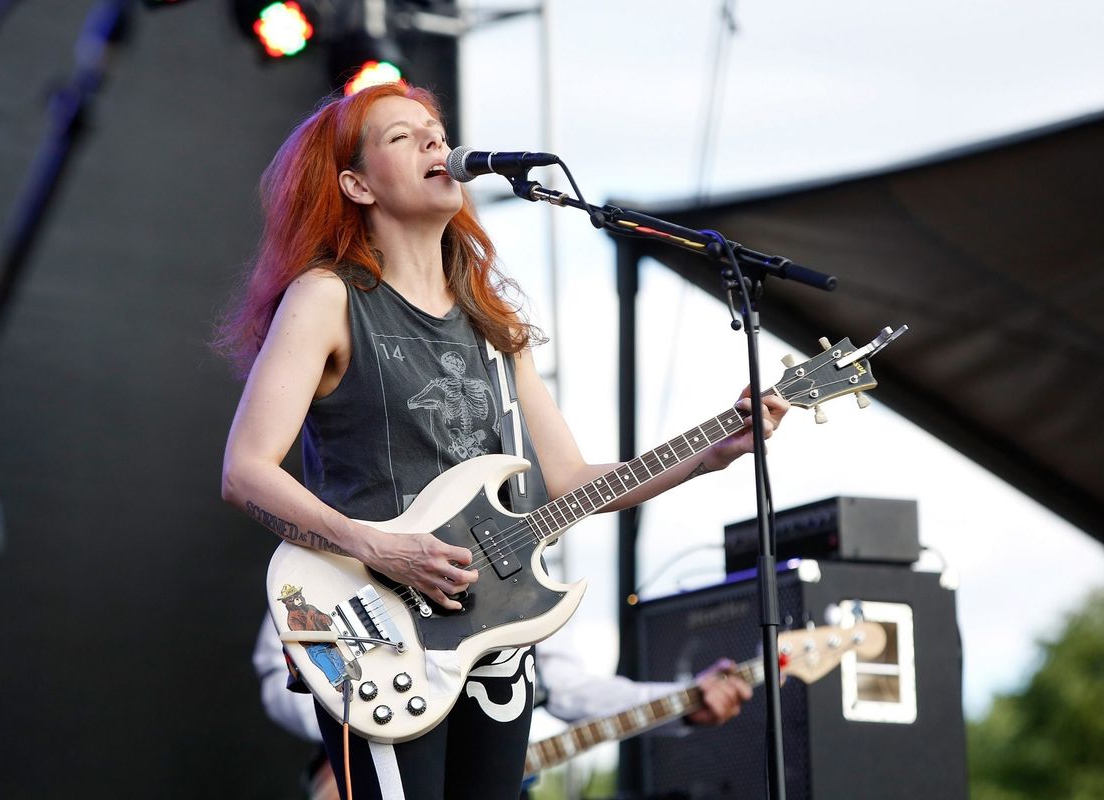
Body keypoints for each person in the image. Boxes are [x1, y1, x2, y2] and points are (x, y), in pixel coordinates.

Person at [217, 81, 787, 800]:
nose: (435, 140)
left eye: (434, 127)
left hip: (495, 641)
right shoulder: (327, 297)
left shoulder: (494, 321)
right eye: (402, 135)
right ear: (356, 184)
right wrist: (377, 545)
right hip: (379, 629)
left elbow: (570, 481)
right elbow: (245, 470)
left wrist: (708, 454)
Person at [251, 613, 753, 798]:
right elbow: (281, 678)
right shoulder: (343, 542)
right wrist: (373, 721)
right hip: (381, 763)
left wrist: (681, 703)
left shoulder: (526, 568)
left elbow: (567, 686)